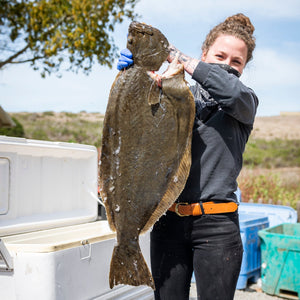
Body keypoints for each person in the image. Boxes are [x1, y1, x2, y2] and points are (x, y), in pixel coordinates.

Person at [117, 13, 258, 300]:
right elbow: (138, 130)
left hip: (218, 226)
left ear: (244, 68)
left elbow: (228, 90)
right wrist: (135, 74)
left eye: (236, 61)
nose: (228, 66)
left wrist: (171, 55)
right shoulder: (178, 94)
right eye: (220, 56)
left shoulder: (244, 100)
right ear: (205, 53)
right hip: (168, 221)